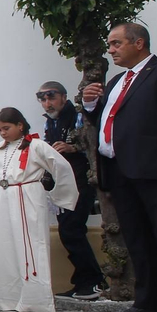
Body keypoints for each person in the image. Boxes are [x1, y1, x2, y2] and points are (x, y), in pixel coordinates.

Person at [83, 23, 157, 312]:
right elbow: (108, 118)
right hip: (120, 170)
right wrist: (91, 104)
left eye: (116, 44)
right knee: (138, 239)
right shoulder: (117, 80)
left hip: (152, 169)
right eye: (109, 44)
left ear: (138, 43)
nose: (111, 50)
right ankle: (147, 301)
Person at [0, 107, 78, 312]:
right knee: (6, 245)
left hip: (28, 195)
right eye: (0, 129)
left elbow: (61, 167)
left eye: (6, 128)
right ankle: (8, 298)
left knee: (31, 243)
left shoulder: (37, 145)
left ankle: (35, 299)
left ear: (20, 126)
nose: (3, 133)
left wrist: (58, 196)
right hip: (5, 197)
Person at [39, 80, 106, 299]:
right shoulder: (50, 123)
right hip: (64, 182)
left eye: (51, 97)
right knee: (68, 230)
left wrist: (72, 147)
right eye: (43, 99)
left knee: (72, 229)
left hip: (81, 180)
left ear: (64, 98)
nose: (47, 103)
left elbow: (94, 141)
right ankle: (82, 281)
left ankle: (95, 281)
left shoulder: (77, 116)